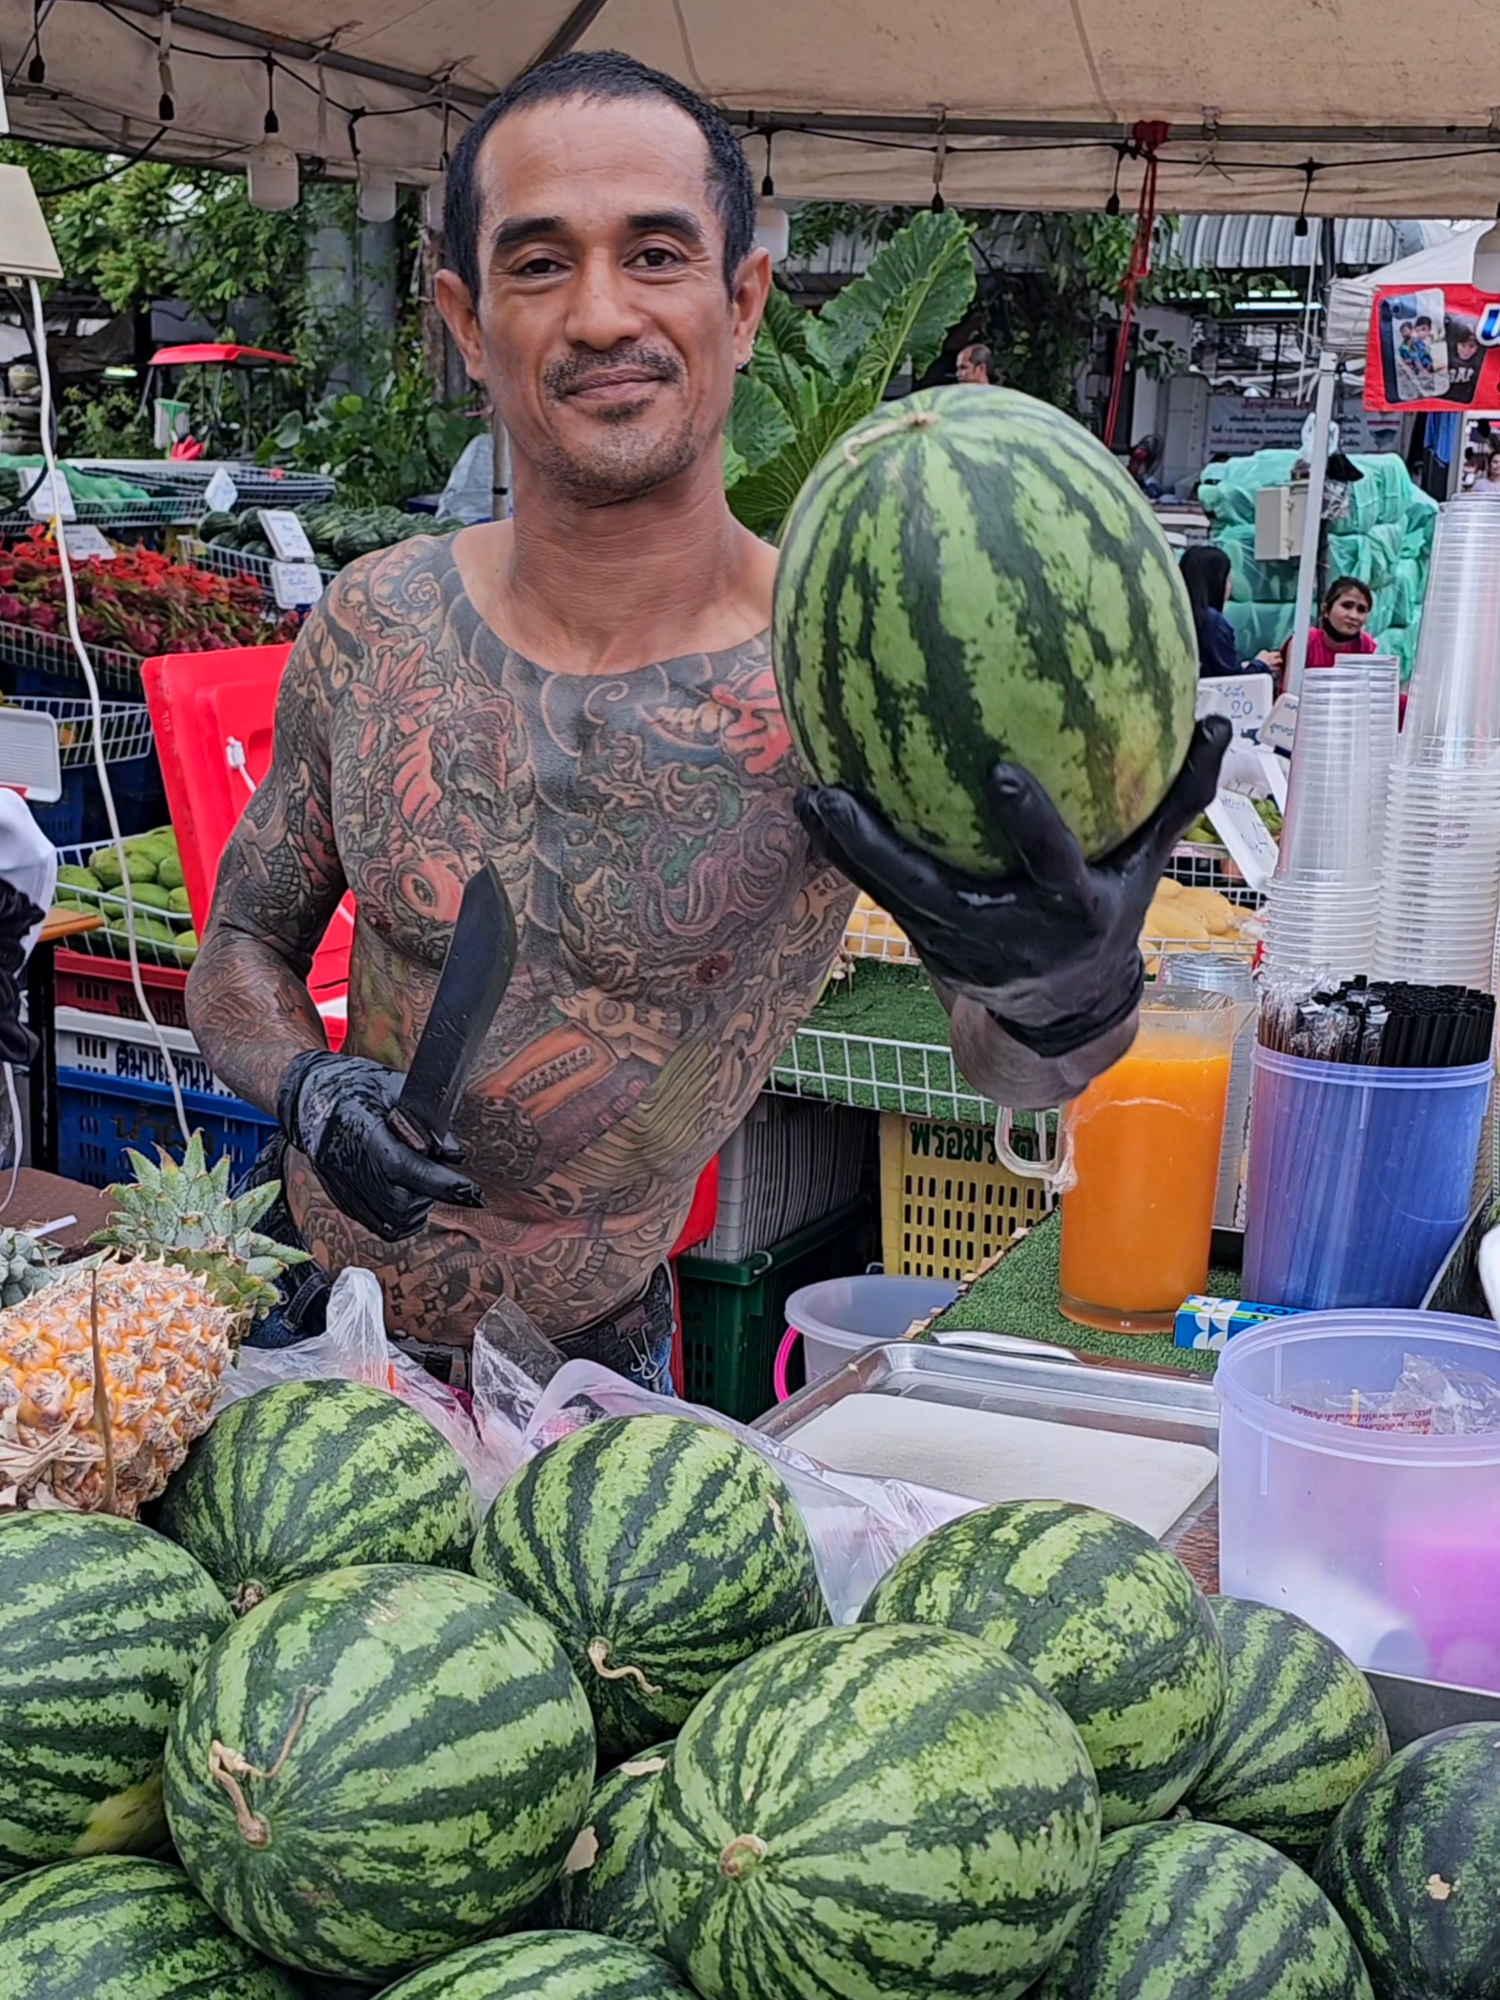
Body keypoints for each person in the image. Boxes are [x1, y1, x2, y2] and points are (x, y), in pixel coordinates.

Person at [186, 50, 1227, 1388]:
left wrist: (1065, 992)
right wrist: (308, 1089)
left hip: (594, 1383)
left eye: (657, 255)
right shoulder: (372, 626)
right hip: (325, 1347)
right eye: (540, 263)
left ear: (742, 303)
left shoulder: (837, 691)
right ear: (465, 316)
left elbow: (1009, 1072)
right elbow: (236, 953)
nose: (603, 313)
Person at [1178, 546, 1280, 680]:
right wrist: (1261, 664)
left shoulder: (1177, 616)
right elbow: (1231, 681)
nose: (1230, 587)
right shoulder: (1212, 622)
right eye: (1228, 579)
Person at [1302, 576, 1379, 669]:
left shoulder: (1366, 646)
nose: (1353, 616)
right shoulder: (1305, 642)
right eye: (1346, 606)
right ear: (1325, 609)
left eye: (1361, 610)